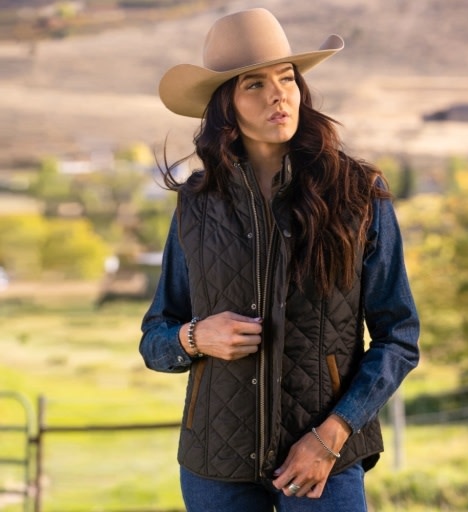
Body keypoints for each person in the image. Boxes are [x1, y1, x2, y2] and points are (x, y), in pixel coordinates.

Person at [139, 8, 420, 512]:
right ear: (226, 106)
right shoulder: (196, 205)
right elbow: (155, 336)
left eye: (286, 78)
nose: (278, 94)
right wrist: (195, 337)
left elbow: (399, 336)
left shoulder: (359, 193)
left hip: (323, 464)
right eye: (255, 84)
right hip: (216, 467)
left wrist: (332, 435)